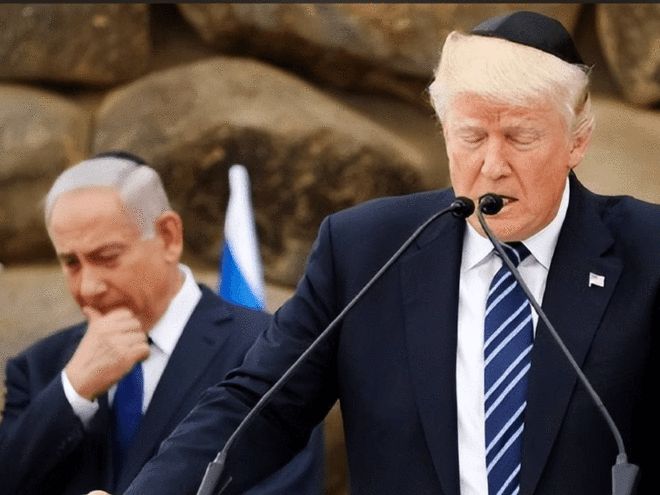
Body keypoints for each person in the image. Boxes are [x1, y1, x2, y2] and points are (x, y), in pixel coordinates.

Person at [102, 11, 658, 495]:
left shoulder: (649, 250)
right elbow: (258, 404)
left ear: (577, 140)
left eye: (520, 137)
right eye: (471, 137)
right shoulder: (366, 249)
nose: (492, 165)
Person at [0, 152, 324, 495]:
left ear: (168, 237)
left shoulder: (266, 348)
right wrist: (72, 391)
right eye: (71, 263)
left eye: (106, 257)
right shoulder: (39, 367)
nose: (88, 286)